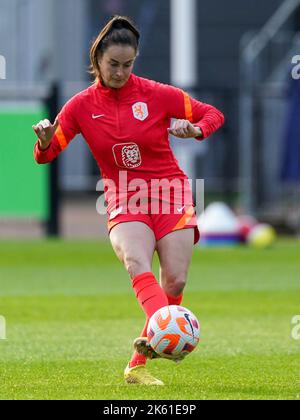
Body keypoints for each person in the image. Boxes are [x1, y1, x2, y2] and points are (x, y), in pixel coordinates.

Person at [32, 15, 225, 386]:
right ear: (97, 60)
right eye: (113, 65)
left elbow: (211, 113)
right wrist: (43, 140)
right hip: (123, 195)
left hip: (170, 192)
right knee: (135, 260)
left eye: (127, 64)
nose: (120, 72)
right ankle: (169, 333)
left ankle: (137, 364)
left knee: (176, 280)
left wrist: (196, 129)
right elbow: (48, 152)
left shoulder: (157, 94)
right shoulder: (80, 106)